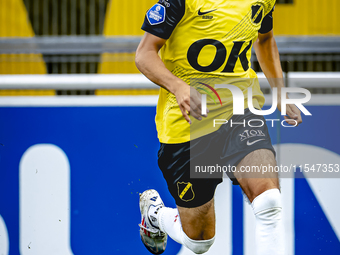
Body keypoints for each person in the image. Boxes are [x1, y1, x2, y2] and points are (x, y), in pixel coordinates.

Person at [135, 0, 302, 254]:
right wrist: (179, 86)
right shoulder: (181, 2)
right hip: (188, 124)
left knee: (269, 201)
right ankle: (156, 214)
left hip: (239, 109)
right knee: (199, 242)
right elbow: (144, 54)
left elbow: (265, 39)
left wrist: (279, 91)